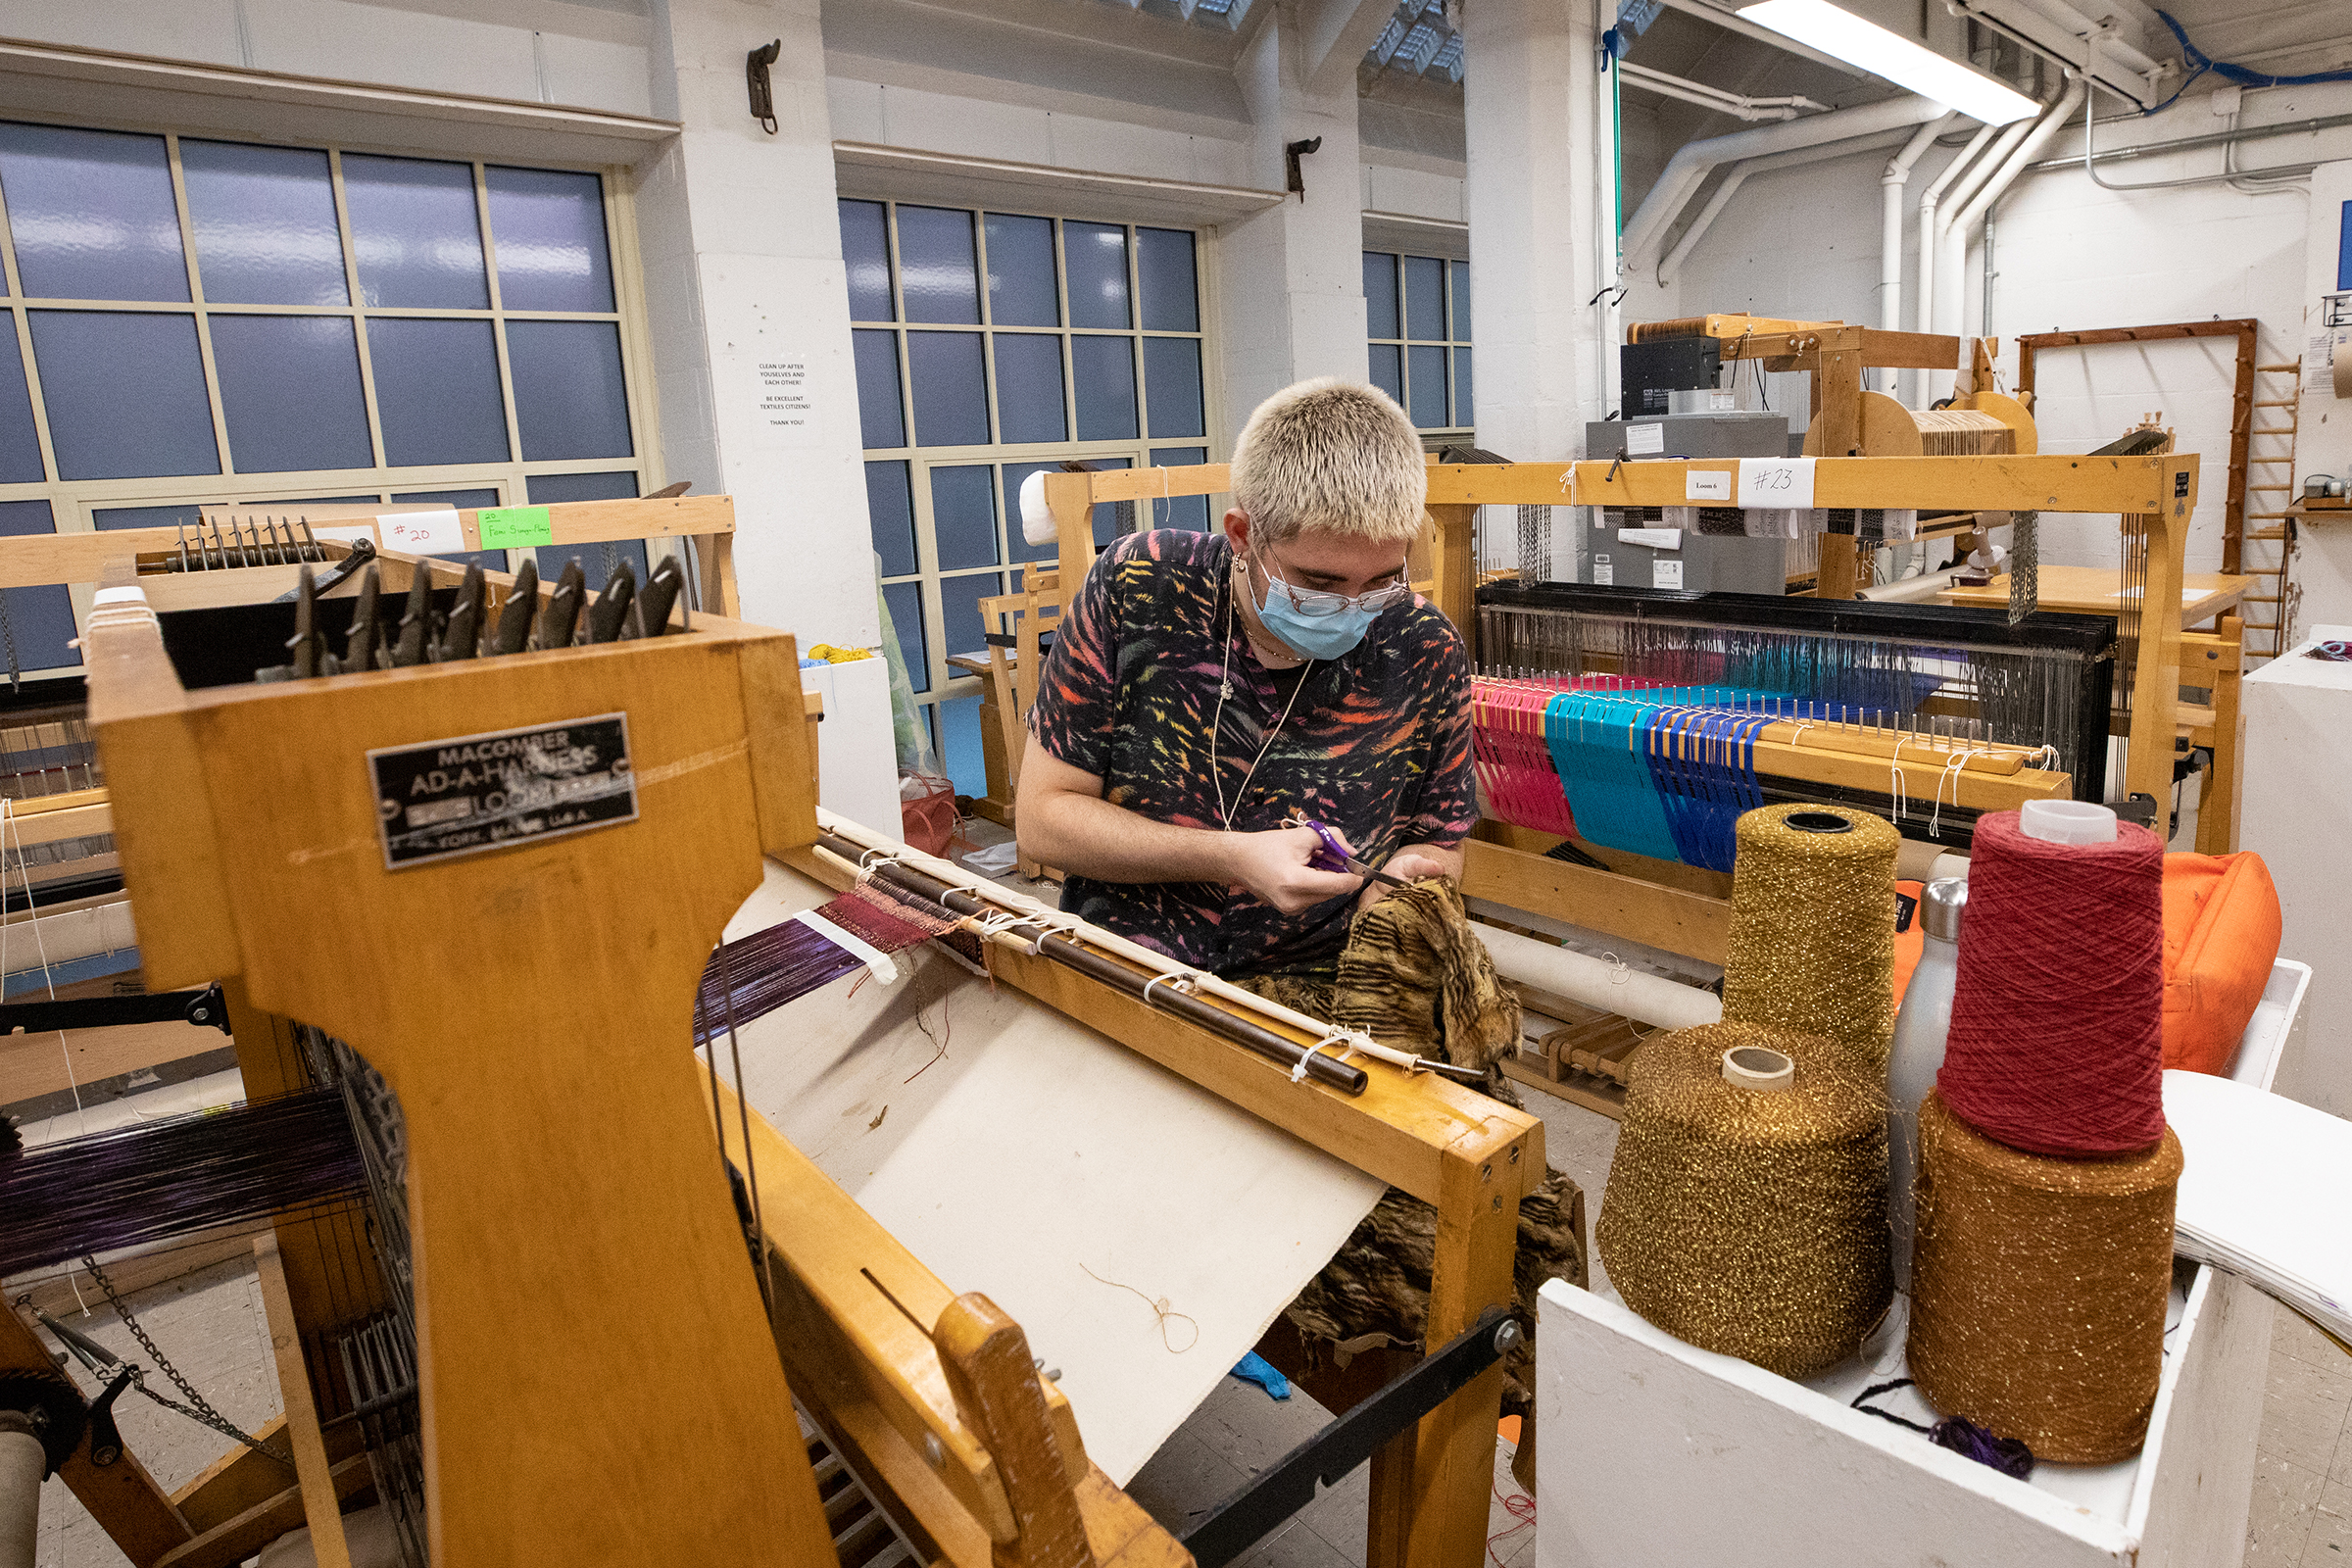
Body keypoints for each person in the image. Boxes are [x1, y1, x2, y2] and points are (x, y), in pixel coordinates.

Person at [1016, 377, 1474, 978]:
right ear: (1243, 534)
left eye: (1383, 579)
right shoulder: (1139, 590)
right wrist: (1231, 857)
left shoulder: (1423, 648)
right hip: (1130, 973)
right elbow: (1042, 821)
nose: (1353, 608)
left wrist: (1400, 884)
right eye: (1320, 583)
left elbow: (1440, 840)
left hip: (1324, 993)